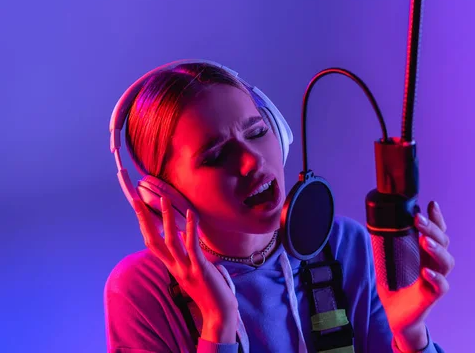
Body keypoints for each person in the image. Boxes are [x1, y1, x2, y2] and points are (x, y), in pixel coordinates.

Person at [104, 60, 454, 353]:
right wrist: (217, 323)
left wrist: (411, 336)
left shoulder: (344, 247)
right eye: (216, 154)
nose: (252, 161)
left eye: (256, 133)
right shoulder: (141, 291)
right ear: (164, 196)